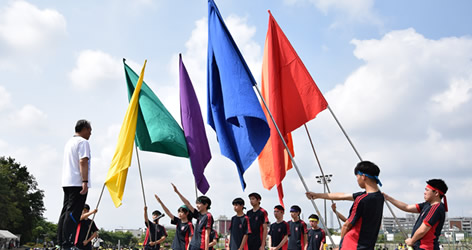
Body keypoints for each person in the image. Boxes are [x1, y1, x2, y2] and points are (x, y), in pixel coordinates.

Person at [306, 161, 384, 249]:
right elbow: (342, 195)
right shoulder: (380, 197)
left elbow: (346, 225)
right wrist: (317, 195)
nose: (357, 180)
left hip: (352, 245)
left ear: (363, 177)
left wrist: (340, 247)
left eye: (357, 177)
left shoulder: (362, 199)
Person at [384, 179, 448, 250]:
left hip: (426, 247)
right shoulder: (427, 205)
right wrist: (388, 198)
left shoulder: (436, 208)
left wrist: (412, 240)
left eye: (427, 190)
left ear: (436, 193)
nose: (424, 192)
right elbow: (407, 207)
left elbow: (423, 229)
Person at [58, 119, 93, 249]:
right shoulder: (83, 142)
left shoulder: (69, 142)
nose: (90, 134)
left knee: (65, 212)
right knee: (73, 213)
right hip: (77, 182)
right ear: (84, 129)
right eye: (90, 131)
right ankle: (68, 242)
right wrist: (85, 181)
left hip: (67, 182)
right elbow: (83, 161)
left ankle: (61, 241)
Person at [173, 183, 213, 250]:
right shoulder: (198, 215)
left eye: (199, 203)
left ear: (206, 205)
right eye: (196, 203)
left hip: (200, 246)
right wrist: (177, 192)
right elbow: (188, 204)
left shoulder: (208, 216)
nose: (197, 205)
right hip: (193, 244)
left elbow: (207, 234)